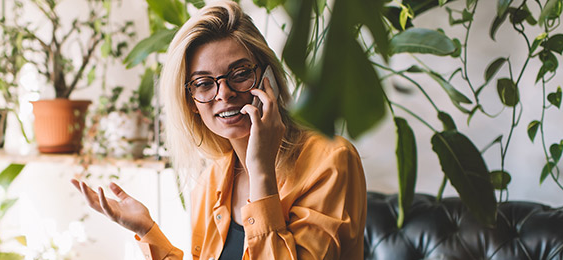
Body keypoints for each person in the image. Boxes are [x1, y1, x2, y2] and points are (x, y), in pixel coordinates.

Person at [70, 1, 366, 259]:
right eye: (203, 83)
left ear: (268, 78)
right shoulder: (214, 178)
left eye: (239, 74)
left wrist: (261, 171)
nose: (224, 94)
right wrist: (147, 231)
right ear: (191, 103)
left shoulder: (332, 160)